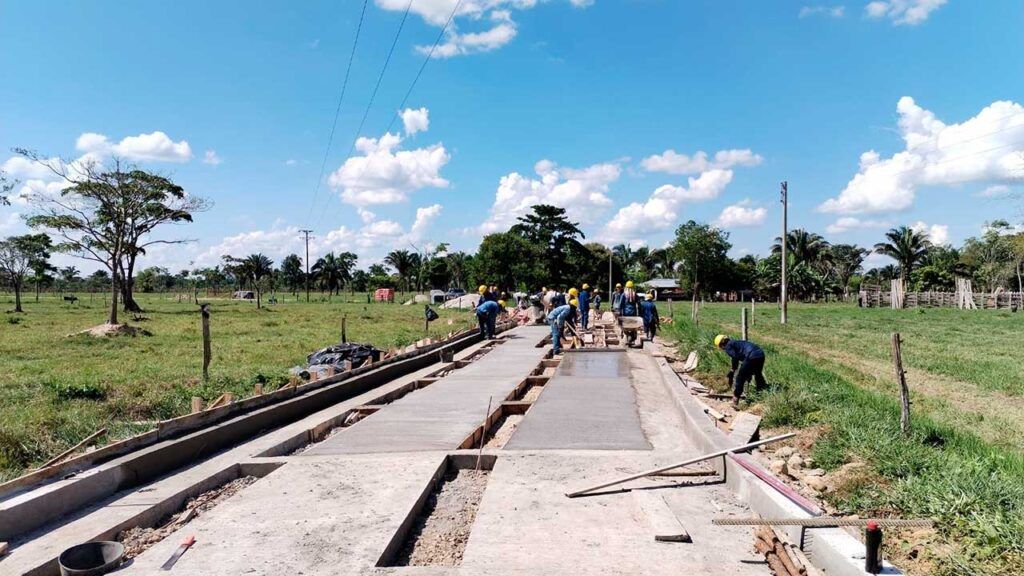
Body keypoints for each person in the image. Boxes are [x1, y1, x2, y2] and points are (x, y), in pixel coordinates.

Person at [714, 334, 767, 408]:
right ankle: (760, 394)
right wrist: (734, 369)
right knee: (758, 374)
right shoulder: (735, 342)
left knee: (740, 378)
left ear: (721, 345)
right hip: (760, 354)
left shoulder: (728, 346)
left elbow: (735, 357)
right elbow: (736, 357)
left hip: (751, 356)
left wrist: (738, 371)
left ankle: (735, 398)